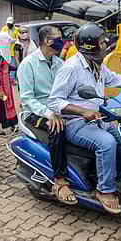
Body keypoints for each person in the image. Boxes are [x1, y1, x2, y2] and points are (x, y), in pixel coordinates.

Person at [48, 23, 121, 214]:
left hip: (99, 119)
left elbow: (116, 79)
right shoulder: (72, 68)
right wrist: (83, 112)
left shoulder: (96, 64)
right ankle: (104, 190)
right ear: (90, 45)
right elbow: (54, 100)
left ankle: (119, 178)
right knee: (107, 143)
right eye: (100, 42)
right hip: (76, 123)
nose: (104, 45)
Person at [18, 25, 77, 205]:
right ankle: (60, 180)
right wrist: (49, 113)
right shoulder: (28, 65)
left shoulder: (60, 64)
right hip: (36, 113)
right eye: (58, 39)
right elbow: (27, 99)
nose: (62, 42)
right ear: (46, 41)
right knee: (56, 128)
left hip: (58, 110)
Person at [0, 33, 18, 135]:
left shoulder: (4, 56)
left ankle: (11, 123)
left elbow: (11, 68)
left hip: (7, 85)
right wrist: (0, 88)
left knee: (8, 104)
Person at [1, 17, 19, 83]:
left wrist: (13, 40)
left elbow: (18, 38)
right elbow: (1, 36)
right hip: (5, 49)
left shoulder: (16, 30)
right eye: (8, 23)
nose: (8, 25)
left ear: (13, 23)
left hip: (13, 49)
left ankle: (12, 79)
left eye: (10, 24)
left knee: (13, 65)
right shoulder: (4, 28)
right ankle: (6, 78)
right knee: (6, 64)